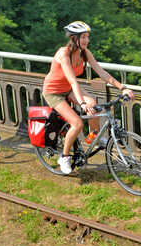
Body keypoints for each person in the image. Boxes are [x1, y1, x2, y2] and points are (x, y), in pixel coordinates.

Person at [42, 21, 134, 174]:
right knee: (77, 123)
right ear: (73, 38)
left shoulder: (84, 53)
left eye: (87, 37)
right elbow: (72, 80)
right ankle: (64, 157)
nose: (87, 40)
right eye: (83, 37)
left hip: (69, 89)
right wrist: (82, 103)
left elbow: (102, 73)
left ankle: (93, 137)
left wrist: (122, 87)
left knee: (94, 104)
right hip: (54, 92)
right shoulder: (63, 54)